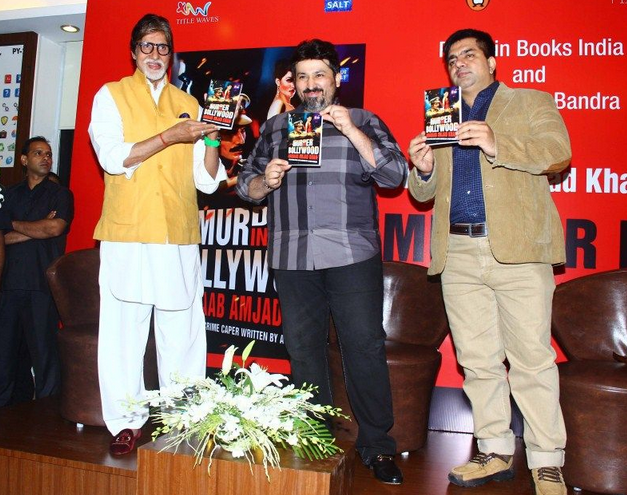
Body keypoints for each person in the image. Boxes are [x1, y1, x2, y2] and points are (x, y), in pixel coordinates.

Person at [237, 38, 407, 485]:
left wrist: (350, 128)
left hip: (351, 254)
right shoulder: (275, 129)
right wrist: (264, 183)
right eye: (303, 76)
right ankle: (315, 435)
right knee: (304, 349)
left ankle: (377, 446)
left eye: (320, 75)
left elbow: (394, 175)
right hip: (292, 256)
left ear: (336, 78)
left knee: (364, 348)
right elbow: (245, 184)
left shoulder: (365, 120)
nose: (311, 84)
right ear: (292, 83)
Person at [407, 28, 570, 495]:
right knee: (477, 362)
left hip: (518, 250)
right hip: (457, 252)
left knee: (532, 360)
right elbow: (425, 193)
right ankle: (495, 450)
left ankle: (546, 460)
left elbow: (558, 154)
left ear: (493, 62)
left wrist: (499, 143)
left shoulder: (530, 102)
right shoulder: (443, 112)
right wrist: (423, 169)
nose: (459, 64)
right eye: (452, 59)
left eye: (469, 55)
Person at [88, 13, 226, 455]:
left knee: (182, 330)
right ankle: (126, 423)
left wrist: (211, 139)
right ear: (134, 51)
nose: (154, 55)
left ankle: (184, 418)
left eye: (162, 48)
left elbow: (207, 181)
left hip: (178, 234)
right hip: (128, 234)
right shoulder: (110, 96)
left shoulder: (188, 101)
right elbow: (112, 157)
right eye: (147, 46)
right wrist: (170, 136)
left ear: (170, 54)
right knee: (123, 332)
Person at [0, 136, 74, 407]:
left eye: (49, 154)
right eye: (39, 153)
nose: (46, 158)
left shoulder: (60, 194)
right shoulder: (8, 194)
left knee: (44, 357)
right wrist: (37, 227)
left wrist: (12, 224)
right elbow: (3, 237)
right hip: (8, 285)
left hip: (43, 286)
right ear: (24, 159)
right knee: (5, 357)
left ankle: (45, 417)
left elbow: (54, 229)